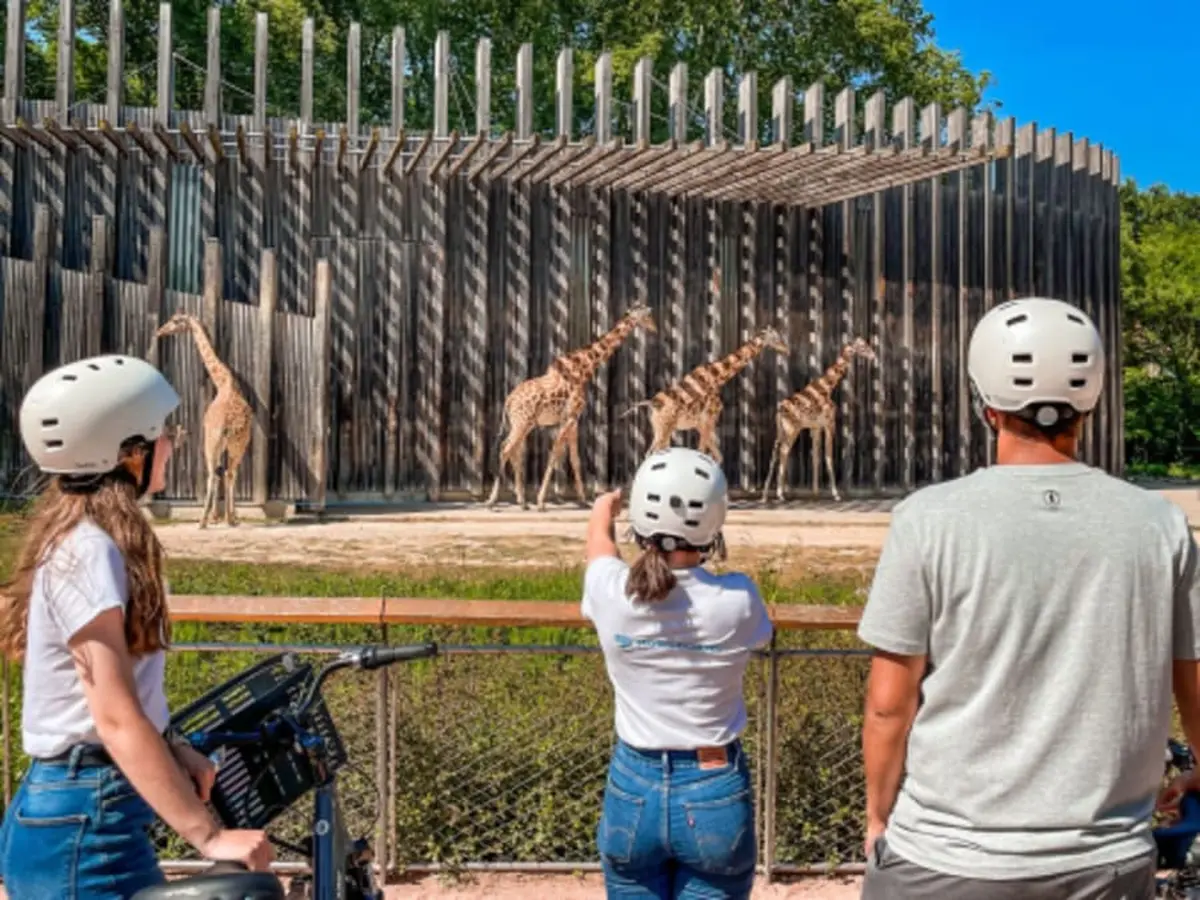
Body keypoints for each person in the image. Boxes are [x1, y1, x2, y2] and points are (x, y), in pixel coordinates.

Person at [856, 296, 1200, 899]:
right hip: (1107, 863)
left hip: (944, 859)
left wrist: (878, 817)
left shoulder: (926, 519)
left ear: (984, 403)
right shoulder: (1160, 525)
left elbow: (889, 704)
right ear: (1090, 400)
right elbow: (1192, 677)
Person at [0, 354, 274, 899]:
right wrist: (210, 835)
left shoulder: (83, 541)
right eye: (162, 434)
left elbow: (97, 706)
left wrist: (172, 743)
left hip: (80, 809)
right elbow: (114, 717)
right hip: (86, 820)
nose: (173, 443)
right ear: (130, 455)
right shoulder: (90, 552)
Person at [582, 447, 774, 899]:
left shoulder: (612, 593)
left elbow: (600, 549)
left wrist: (602, 510)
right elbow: (759, 636)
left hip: (634, 784)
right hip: (713, 783)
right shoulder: (739, 599)